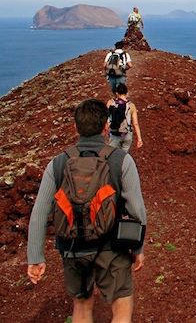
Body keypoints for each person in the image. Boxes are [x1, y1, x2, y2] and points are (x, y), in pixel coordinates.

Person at [27, 99, 147, 323]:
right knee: (121, 305)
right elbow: (137, 210)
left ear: (76, 127)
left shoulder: (58, 163)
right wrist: (138, 248)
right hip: (113, 248)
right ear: (105, 127)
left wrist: (35, 257)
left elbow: (40, 212)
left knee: (81, 307)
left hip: (73, 249)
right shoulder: (121, 161)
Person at [106, 83, 143, 152]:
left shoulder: (110, 103)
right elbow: (135, 124)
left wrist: (105, 131)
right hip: (127, 134)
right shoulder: (131, 106)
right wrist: (139, 139)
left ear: (117, 93)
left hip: (114, 134)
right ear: (126, 93)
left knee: (112, 155)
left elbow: (106, 119)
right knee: (123, 156)